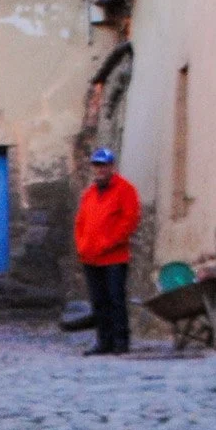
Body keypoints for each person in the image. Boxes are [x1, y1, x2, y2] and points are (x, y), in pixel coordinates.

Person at [74, 145, 141, 356]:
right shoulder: (89, 194)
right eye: (97, 165)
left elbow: (130, 219)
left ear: (112, 166)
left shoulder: (125, 189)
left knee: (115, 299)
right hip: (91, 257)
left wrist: (110, 242)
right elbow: (81, 222)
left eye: (104, 165)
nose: (100, 169)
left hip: (114, 256)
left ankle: (121, 342)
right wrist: (82, 245)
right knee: (98, 301)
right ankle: (103, 341)